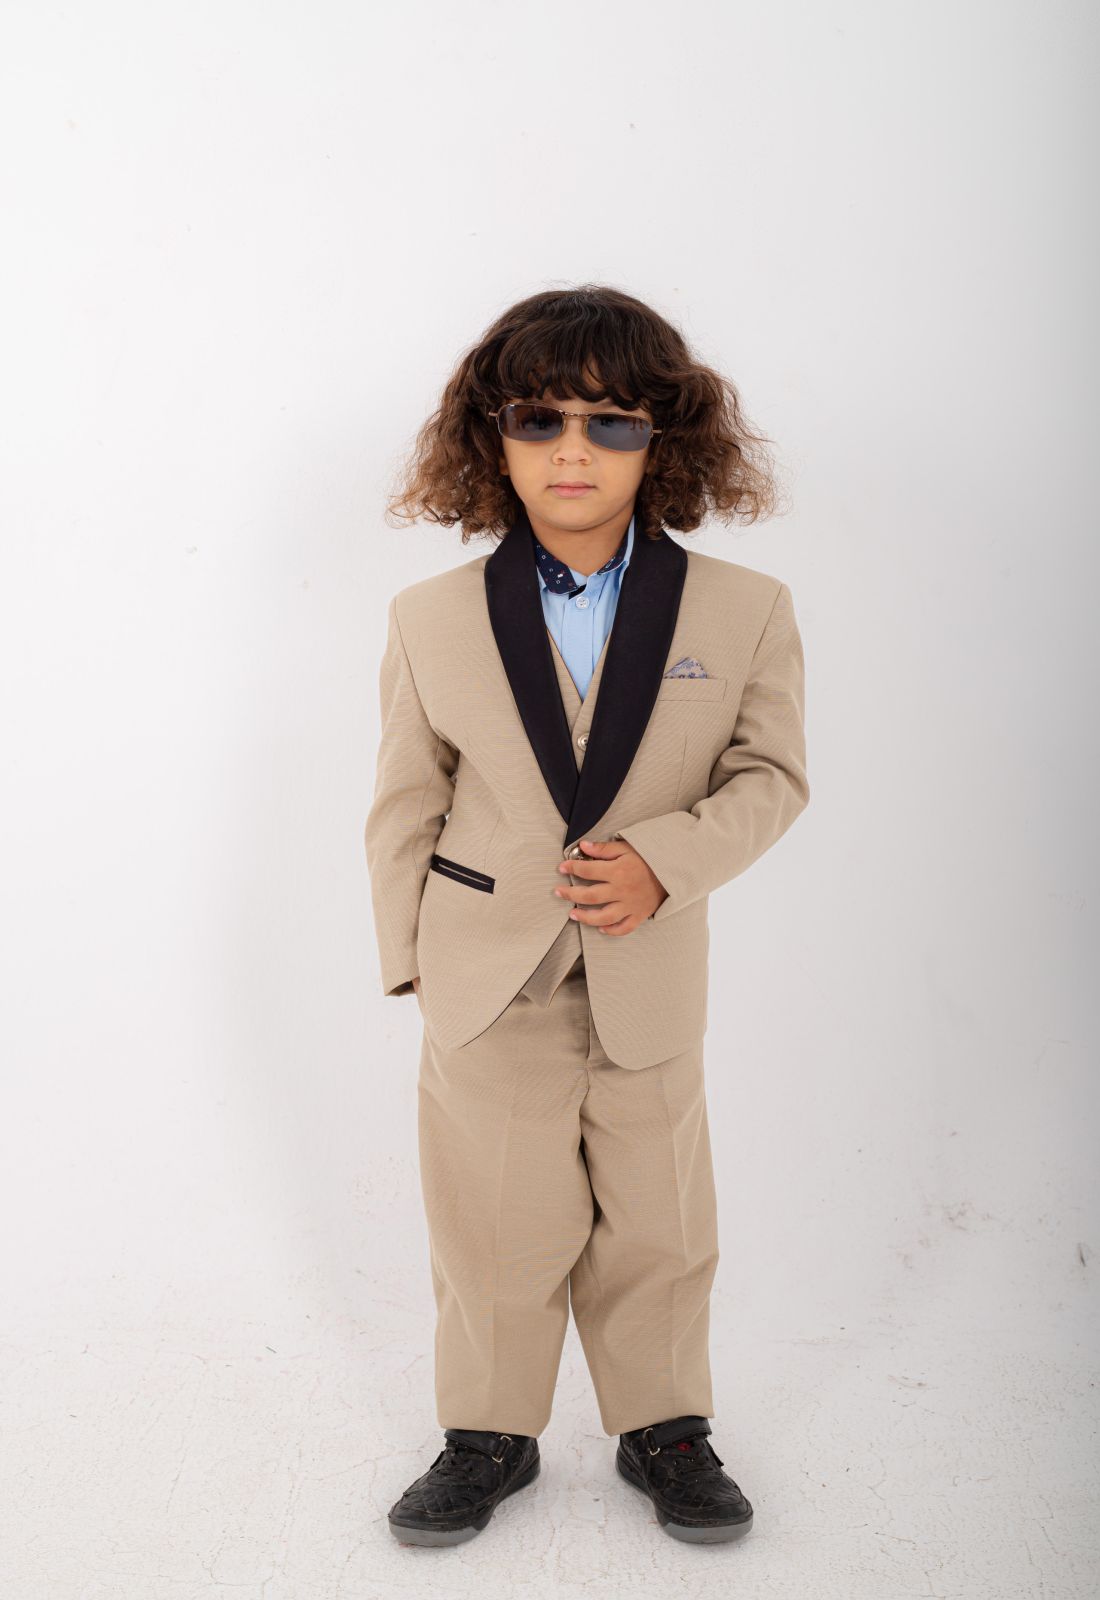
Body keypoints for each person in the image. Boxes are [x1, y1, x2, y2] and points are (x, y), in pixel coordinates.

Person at [364, 284, 810, 1546]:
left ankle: (664, 1427)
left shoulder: (744, 609)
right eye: (540, 418)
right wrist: (412, 964)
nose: (573, 449)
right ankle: (485, 1433)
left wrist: (666, 859)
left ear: (661, 442)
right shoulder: (428, 618)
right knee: (490, 1217)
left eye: (610, 422)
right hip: (483, 975)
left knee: (659, 1215)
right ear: (491, 439)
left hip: (644, 968)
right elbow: (402, 800)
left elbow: (770, 777)